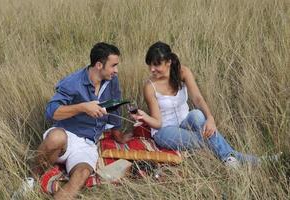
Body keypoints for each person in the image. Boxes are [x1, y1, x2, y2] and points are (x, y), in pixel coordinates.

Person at [132, 41, 263, 167]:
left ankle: (230, 159)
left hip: (185, 122)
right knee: (206, 138)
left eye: (157, 64)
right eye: (150, 65)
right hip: (165, 131)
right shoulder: (150, 87)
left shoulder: (183, 72)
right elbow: (158, 123)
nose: (152, 69)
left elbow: (197, 98)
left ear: (168, 62)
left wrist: (210, 118)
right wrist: (145, 117)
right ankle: (243, 159)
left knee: (197, 115)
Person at [34, 42, 131, 200]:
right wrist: (83, 107)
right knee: (56, 137)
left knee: (82, 174)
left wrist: (117, 133)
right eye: (113, 65)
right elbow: (51, 112)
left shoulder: (112, 81)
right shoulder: (73, 82)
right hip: (66, 136)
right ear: (99, 65)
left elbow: (115, 105)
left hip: (88, 144)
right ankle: (31, 179)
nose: (116, 70)